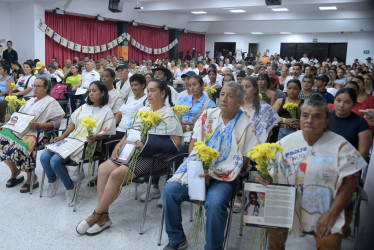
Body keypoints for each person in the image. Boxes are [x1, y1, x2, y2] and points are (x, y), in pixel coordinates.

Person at [256, 93, 366, 250]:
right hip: (289, 205)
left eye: (316, 117)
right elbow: (271, 173)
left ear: (326, 121)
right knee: (274, 237)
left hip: (328, 207)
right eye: (305, 116)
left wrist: (332, 214)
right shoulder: (285, 143)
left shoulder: (341, 146)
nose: (309, 120)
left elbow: (351, 183)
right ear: (300, 118)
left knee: (329, 243)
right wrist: (263, 177)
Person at [76, 79, 183, 235]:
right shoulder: (144, 110)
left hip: (154, 157)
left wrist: (147, 144)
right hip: (131, 151)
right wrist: (119, 145)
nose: (149, 94)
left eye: (153, 90)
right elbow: (131, 131)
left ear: (163, 93)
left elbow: (177, 143)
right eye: (148, 90)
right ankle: (104, 217)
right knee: (103, 168)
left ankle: (96, 214)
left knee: (116, 175)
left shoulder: (169, 114)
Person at [163, 82, 260, 250]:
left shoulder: (247, 125)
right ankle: (177, 238)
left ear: (239, 101)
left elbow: (244, 164)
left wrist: (215, 172)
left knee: (214, 204)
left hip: (225, 176)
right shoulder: (208, 115)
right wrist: (199, 166)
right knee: (170, 190)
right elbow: (193, 144)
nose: (224, 99)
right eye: (222, 94)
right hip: (199, 169)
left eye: (230, 96)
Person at [40, 81, 116, 206]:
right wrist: (62, 137)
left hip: (86, 143)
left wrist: (95, 136)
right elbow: (73, 123)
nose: (90, 93)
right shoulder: (84, 107)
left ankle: (70, 188)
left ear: (102, 93)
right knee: (44, 157)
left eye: (94, 91)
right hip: (71, 139)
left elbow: (107, 132)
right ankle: (53, 180)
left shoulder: (107, 111)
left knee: (55, 161)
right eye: (90, 91)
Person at [0, 77, 64, 192]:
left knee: (24, 144)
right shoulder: (30, 101)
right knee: (2, 141)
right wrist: (11, 118)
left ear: (46, 88)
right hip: (23, 129)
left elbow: (56, 123)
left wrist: (40, 125)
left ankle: (32, 178)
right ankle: (15, 171)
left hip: (41, 133)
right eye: (34, 86)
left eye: (38, 86)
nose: (35, 88)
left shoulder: (51, 103)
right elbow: (20, 116)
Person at [330, 88, 372, 160]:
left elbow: (363, 153)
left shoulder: (361, 123)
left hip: (349, 164)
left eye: (347, 102)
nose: (341, 105)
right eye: (338, 100)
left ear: (354, 105)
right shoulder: (324, 118)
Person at [240, 76, 279, 143]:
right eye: (242, 87)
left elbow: (270, 131)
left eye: (247, 87)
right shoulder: (235, 106)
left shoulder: (266, 109)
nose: (244, 89)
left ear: (255, 89)